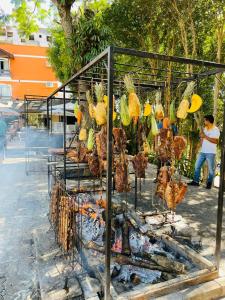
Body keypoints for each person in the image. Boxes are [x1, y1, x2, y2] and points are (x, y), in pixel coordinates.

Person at [188, 115, 220, 189]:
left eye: (205, 120)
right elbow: (202, 139)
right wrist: (198, 147)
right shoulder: (205, 128)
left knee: (211, 170)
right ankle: (196, 181)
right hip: (203, 151)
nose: (204, 122)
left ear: (208, 121)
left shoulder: (215, 129)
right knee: (197, 166)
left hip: (210, 152)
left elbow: (215, 141)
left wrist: (205, 136)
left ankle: (209, 183)